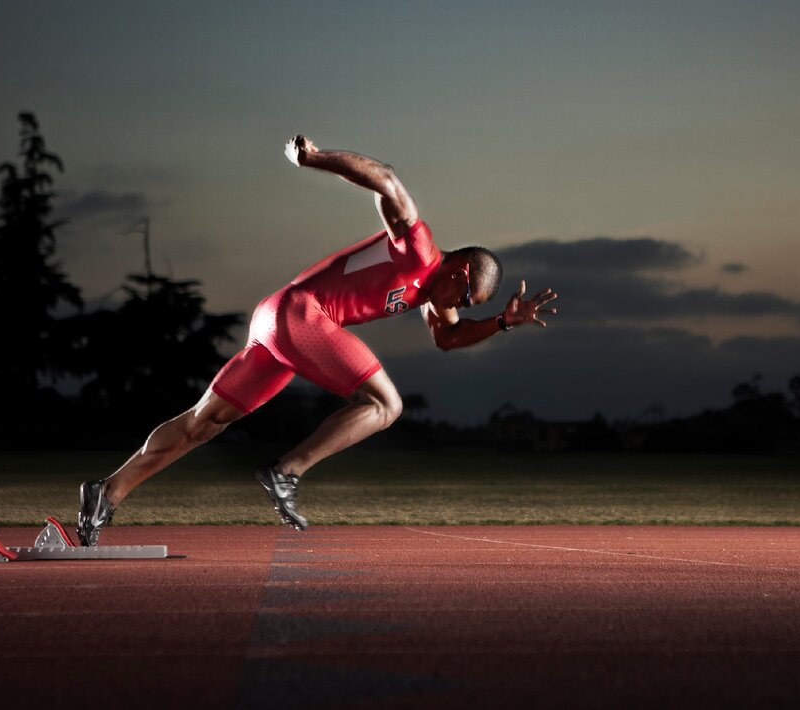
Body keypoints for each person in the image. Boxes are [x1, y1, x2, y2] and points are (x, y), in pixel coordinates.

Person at [77, 135, 558, 543]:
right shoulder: (418, 249)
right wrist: (315, 157)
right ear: (462, 269)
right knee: (387, 405)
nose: (458, 305)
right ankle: (286, 472)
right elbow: (386, 179)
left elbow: (448, 340)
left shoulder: (433, 294)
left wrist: (501, 323)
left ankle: (107, 492)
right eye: (466, 296)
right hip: (302, 316)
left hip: (276, 323)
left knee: (204, 423)